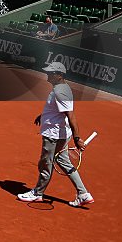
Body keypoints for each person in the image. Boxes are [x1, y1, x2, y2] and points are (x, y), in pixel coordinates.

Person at [17, 61, 94, 207]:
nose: (47, 75)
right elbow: (58, 109)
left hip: (54, 135)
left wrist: (77, 139)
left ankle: (37, 193)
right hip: (59, 132)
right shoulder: (61, 88)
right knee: (63, 162)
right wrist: (43, 115)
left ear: (59, 75)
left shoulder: (60, 91)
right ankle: (83, 193)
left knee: (45, 163)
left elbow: (71, 116)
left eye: (51, 73)